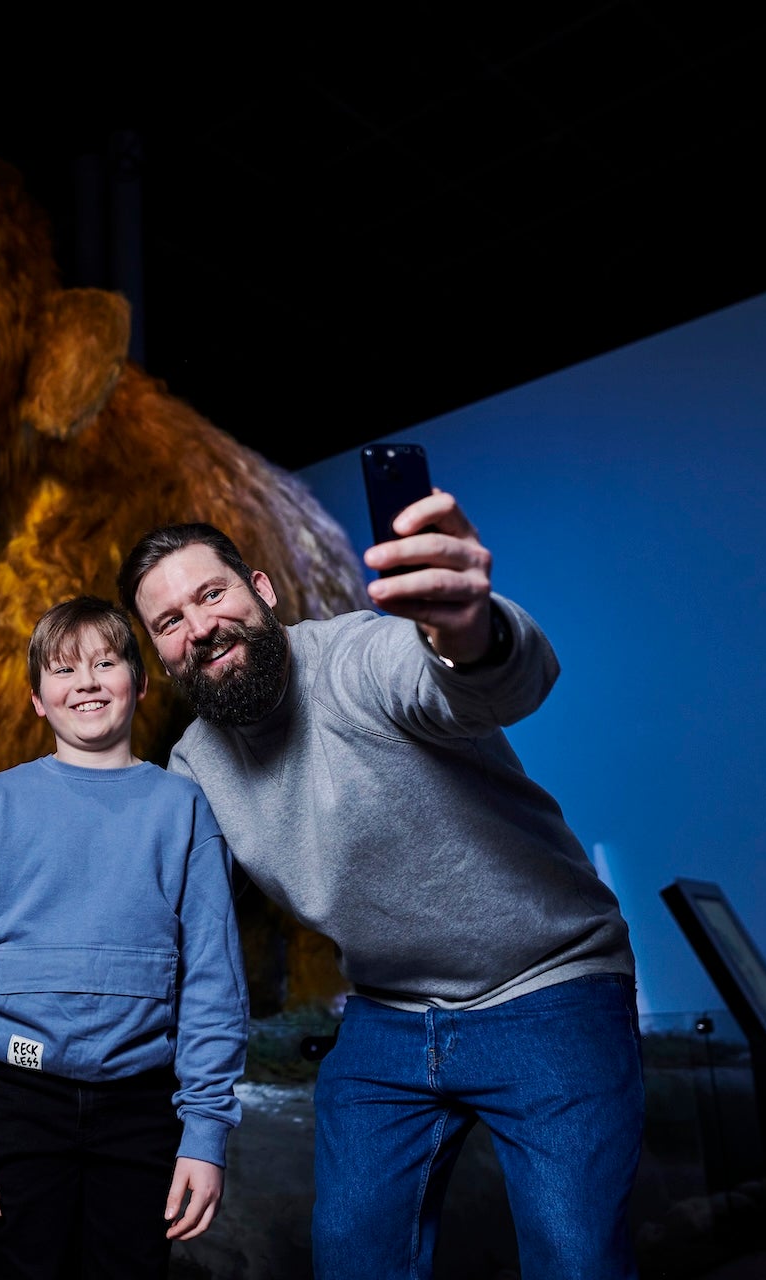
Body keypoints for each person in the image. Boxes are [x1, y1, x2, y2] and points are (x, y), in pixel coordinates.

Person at [118, 496, 641, 1280]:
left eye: (211, 594)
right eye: (168, 622)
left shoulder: (360, 658)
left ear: (261, 590)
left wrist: (472, 632)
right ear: (161, 657)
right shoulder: (195, 766)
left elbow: (487, 683)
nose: (199, 627)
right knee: (353, 1257)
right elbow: (160, 919)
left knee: (577, 1261)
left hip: (548, 987)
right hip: (389, 1019)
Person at [0, 596, 248, 1278]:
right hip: (19, 1100)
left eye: (106, 663)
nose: (87, 682)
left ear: (141, 683)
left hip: (143, 1107)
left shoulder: (184, 807)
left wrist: (205, 1135)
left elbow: (213, 982)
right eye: (64, 669)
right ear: (37, 699)